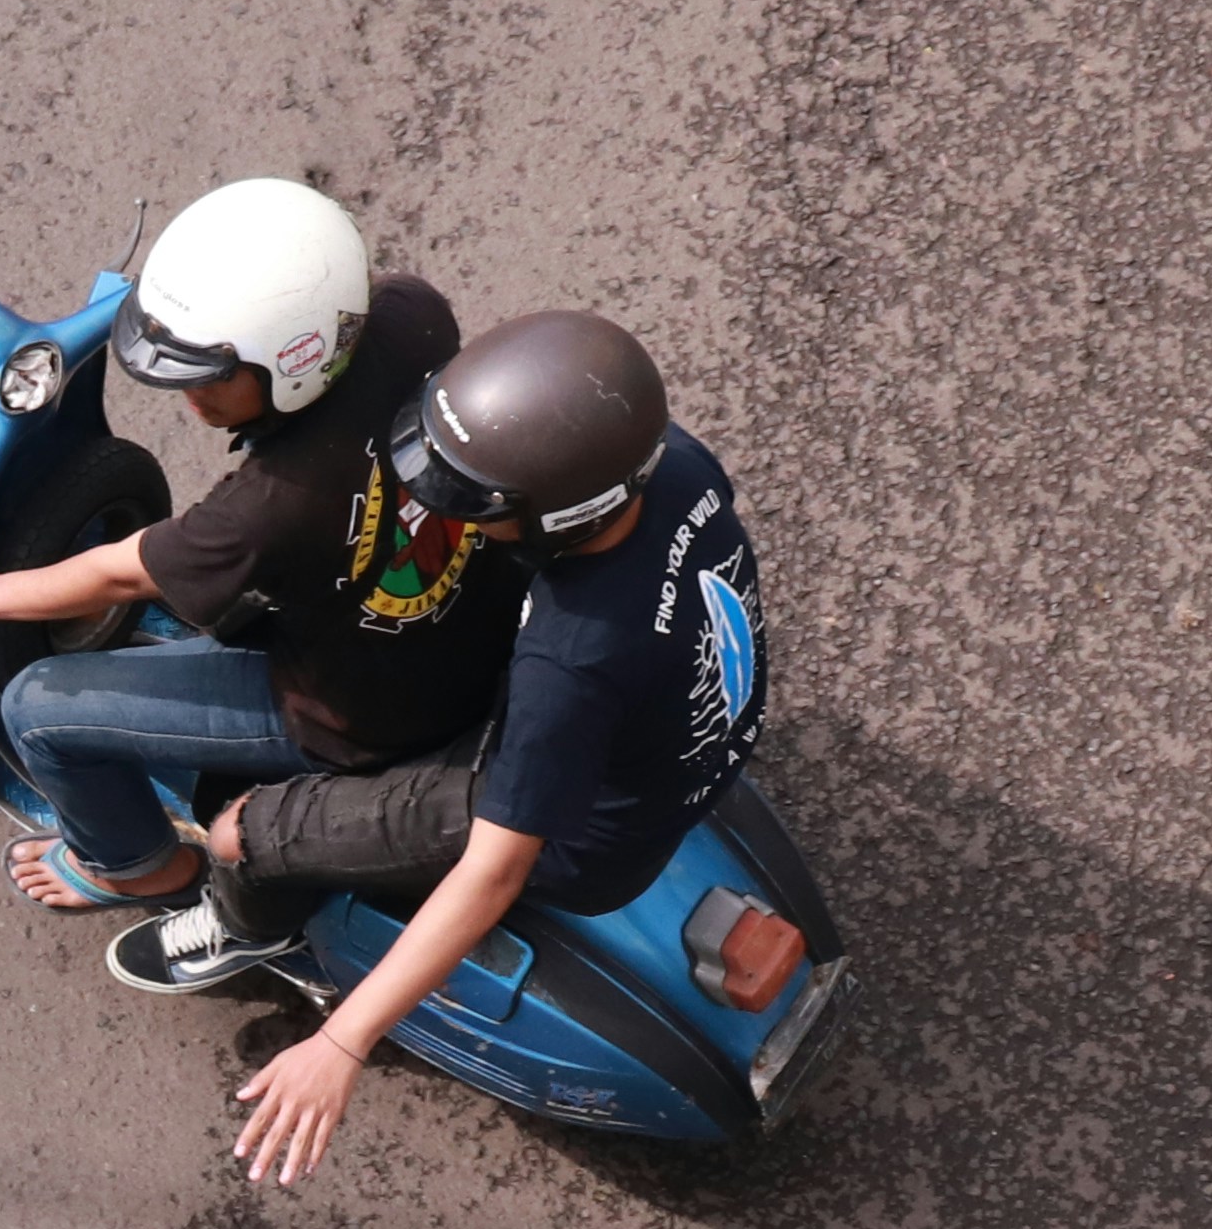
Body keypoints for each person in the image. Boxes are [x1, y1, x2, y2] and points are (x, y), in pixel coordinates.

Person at [110, 309, 766, 1184]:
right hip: (683, 746)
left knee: (237, 833)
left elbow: (496, 868)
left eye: (472, 502)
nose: (427, 503)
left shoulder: (570, 660)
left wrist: (342, 1042)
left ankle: (248, 928)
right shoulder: (674, 466)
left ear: (560, 514)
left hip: (583, 840)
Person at [0, 177, 521, 909]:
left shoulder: (263, 512)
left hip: (363, 718)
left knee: (39, 708)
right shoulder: (415, 319)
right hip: (479, 634)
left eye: (211, 378)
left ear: (297, 361)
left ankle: (135, 866)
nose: (190, 397)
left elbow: (120, 575)